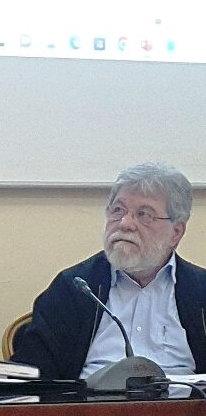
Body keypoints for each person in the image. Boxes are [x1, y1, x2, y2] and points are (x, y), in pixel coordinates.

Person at [12, 162, 206, 379]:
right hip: (90, 399)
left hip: (184, 399)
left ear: (176, 233)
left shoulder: (202, 292)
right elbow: (32, 376)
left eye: (144, 214)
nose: (125, 223)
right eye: (118, 210)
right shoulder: (74, 289)